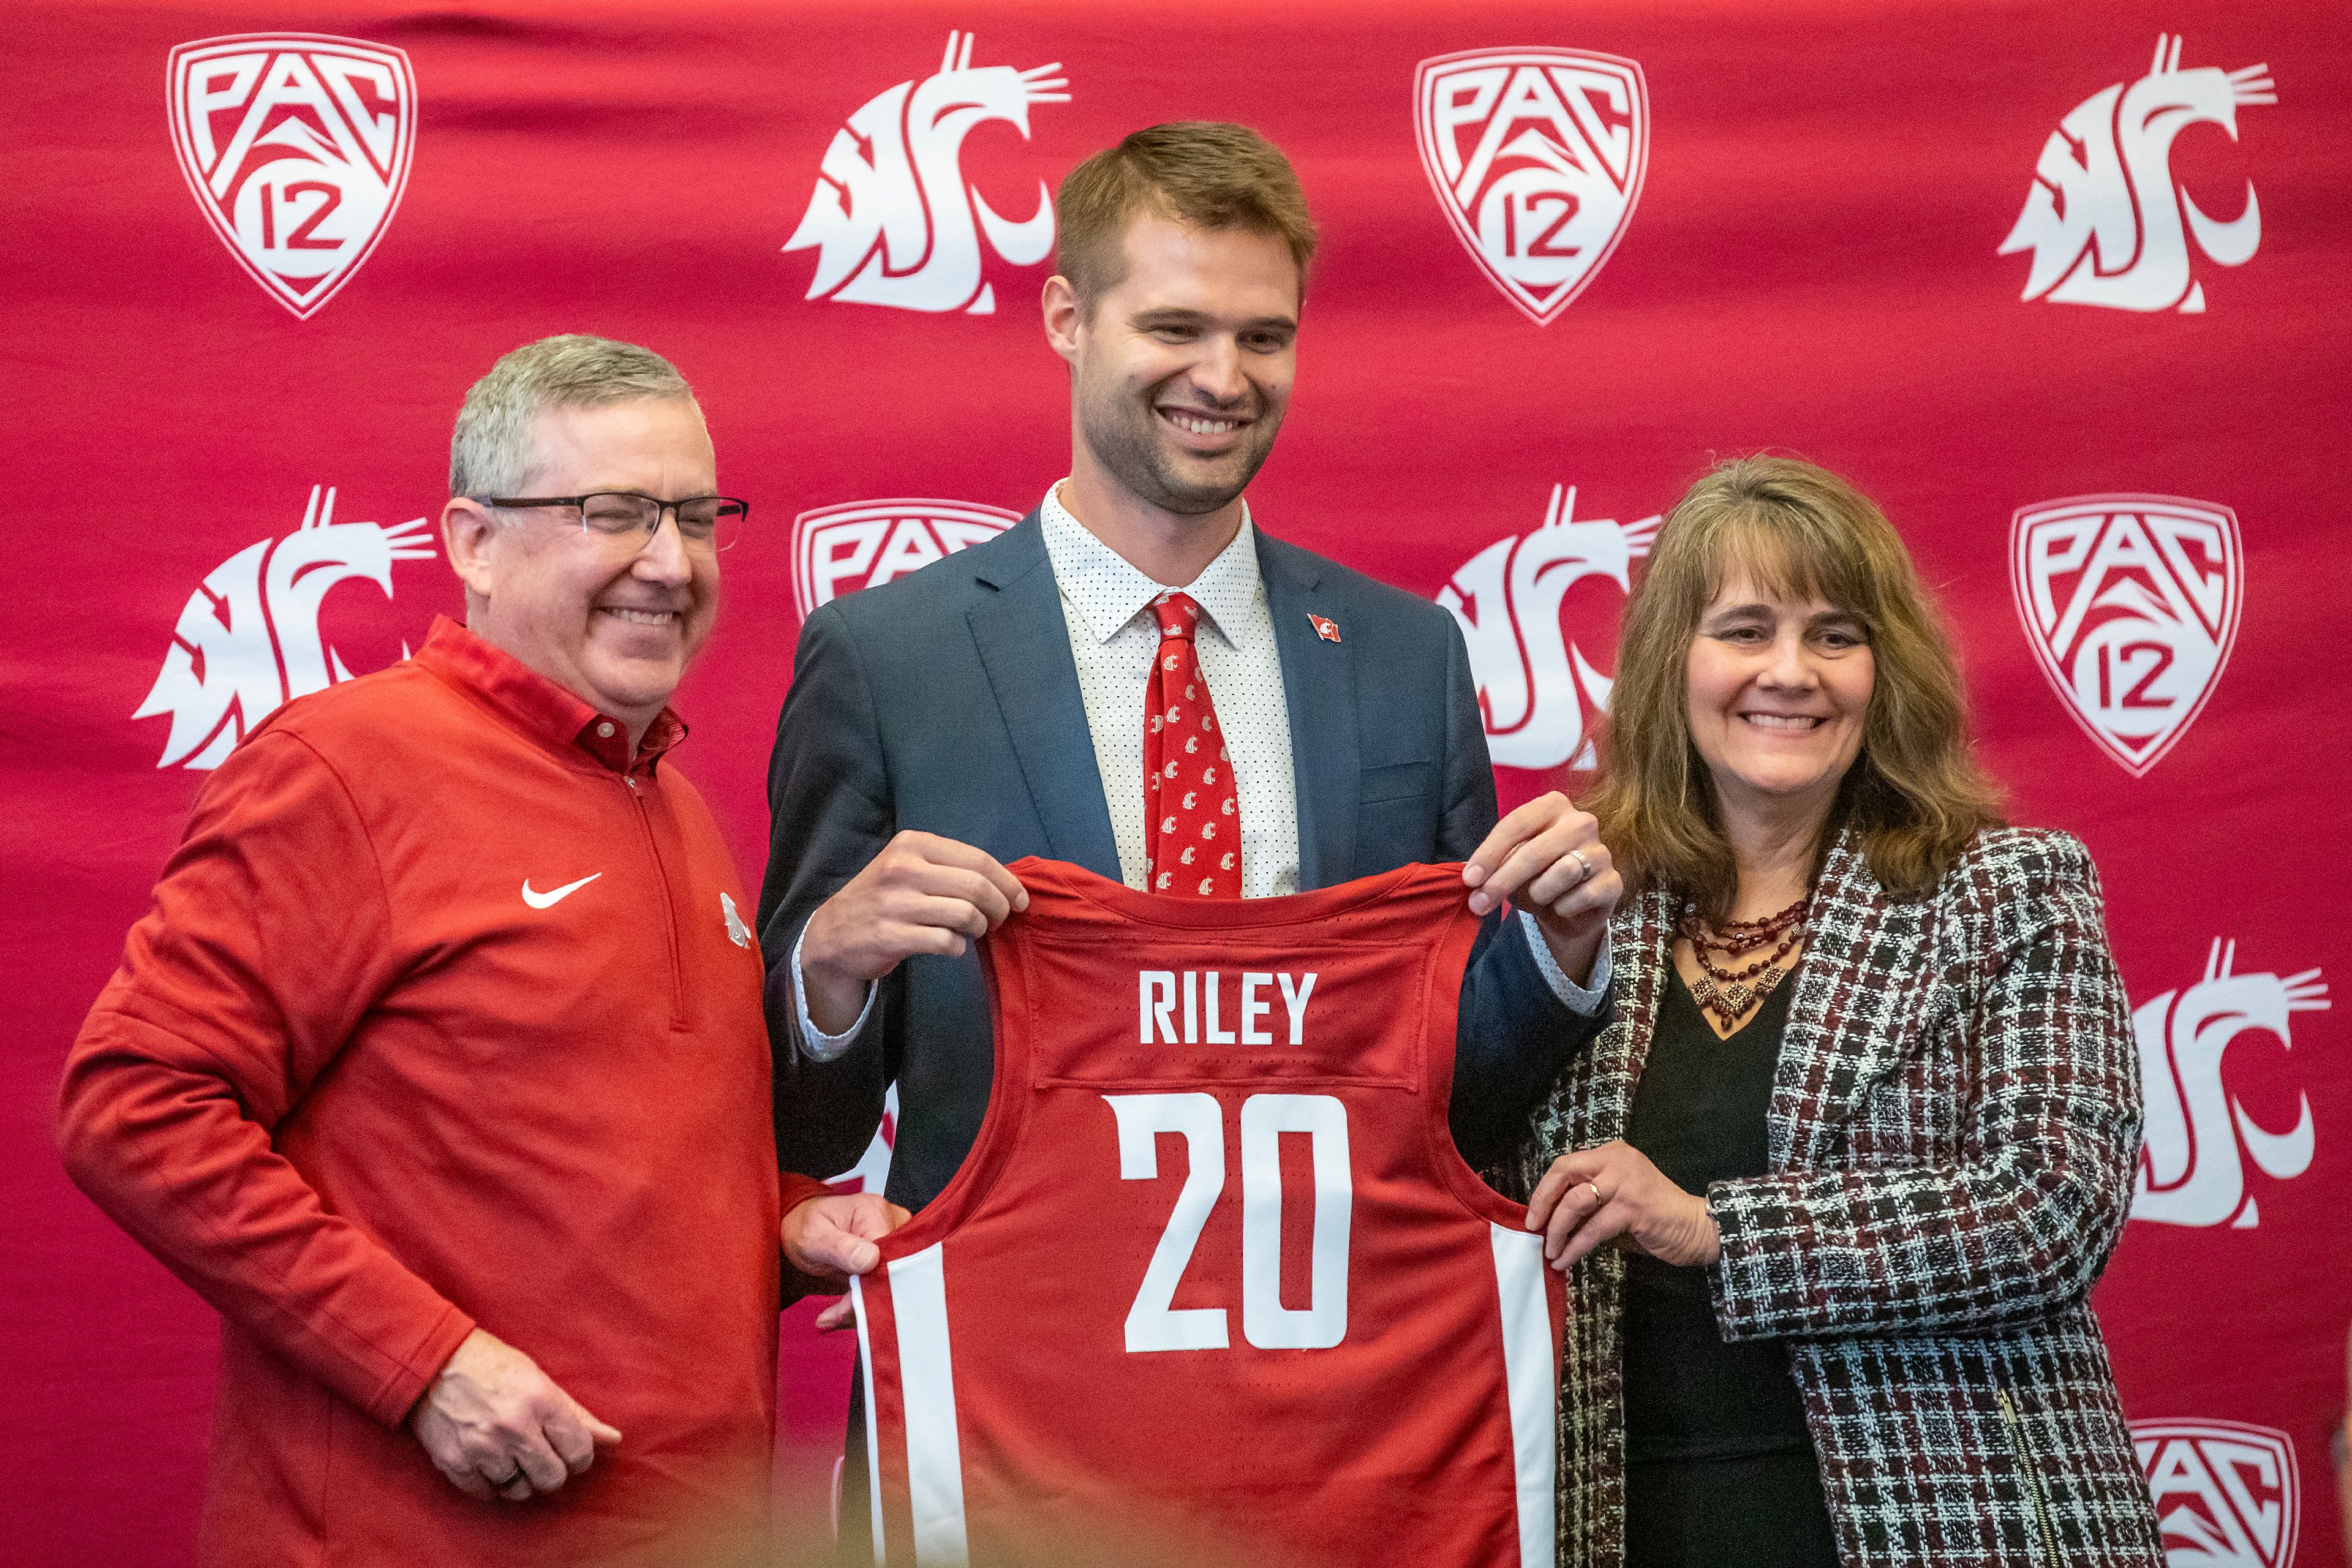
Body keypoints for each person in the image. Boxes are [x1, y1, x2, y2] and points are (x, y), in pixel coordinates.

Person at [758, 121, 1620, 1504]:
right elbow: (807, 1111)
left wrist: (1565, 957)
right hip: (1012, 1415)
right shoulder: (886, 658)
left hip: (1345, 1413)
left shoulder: (1410, 659)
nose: (1222, 378)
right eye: (1174, 326)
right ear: (1065, 316)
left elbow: (1453, 1087)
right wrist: (832, 970)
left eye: (1263, 336)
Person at [56, 335, 883, 1568]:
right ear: (473, 540)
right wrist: (424, 1361)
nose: (671, 561)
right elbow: (134, 1103)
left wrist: (785, 1225)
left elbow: (576, 1177)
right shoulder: (342, 768)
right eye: (615, 512)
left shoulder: (677, 805)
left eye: (698, 514)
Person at [1519, 456, 2166, 1568]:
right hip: (1629, 1523)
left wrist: (1720, 1227)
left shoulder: (2008, 890)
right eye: (1745, 629)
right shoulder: (1587, 917)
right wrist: (1535, 968)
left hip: (1956, 1526)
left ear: (1885, 671)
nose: (1791, 672)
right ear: (1671, 661)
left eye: (1834, 635)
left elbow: (2053, 1211)